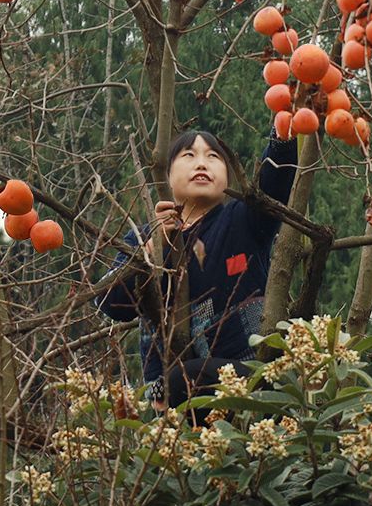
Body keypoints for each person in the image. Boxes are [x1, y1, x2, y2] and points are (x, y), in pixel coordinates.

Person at [95, 129, 298, 408]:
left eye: (213, 157)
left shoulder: (240, 220)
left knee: (184, 378)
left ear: (227, 175)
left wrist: (283, 136)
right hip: (174, 395)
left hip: (249, 373)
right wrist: (153, 250)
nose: (202, 163)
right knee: (177, 382)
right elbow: (110, 301)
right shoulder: (143, 239)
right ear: (166, 176)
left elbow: (273, 185)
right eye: (189, 155)